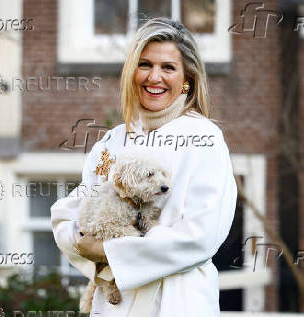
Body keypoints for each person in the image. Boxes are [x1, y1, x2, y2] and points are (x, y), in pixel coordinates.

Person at [50, 17, 237, 317]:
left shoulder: (205, 138)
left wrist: (112, 250)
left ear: (187, 78)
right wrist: (82, 242)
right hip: (113, 302)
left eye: (168, 67)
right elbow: (75, 208)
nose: (154, 77)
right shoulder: (114, 139)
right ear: (131, 72)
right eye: (145, 64)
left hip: (176, 301)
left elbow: (200, 236)